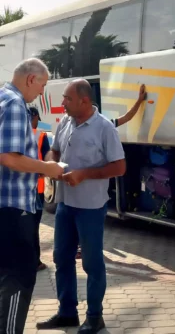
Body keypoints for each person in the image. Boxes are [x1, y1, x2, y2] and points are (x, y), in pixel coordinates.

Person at [37, 79, 126, 334]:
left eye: (67, 98)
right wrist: (51, 165)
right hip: (65, 204)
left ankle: (95, 317)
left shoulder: (104, 128)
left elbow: (120, 167)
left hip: (90, 207)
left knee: (91, 262)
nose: (62, 103)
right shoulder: (65, 122)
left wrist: (84, 174)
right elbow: (53, 151)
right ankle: (67, 313)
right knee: (61, 258)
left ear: (84, 101)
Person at [0, 58, 64, 334]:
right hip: (14, 209)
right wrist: (46, 168)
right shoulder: (15, 105)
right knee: (19, 278)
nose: (41, 92)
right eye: (42, 85)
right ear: (30, 79)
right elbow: (9, 157)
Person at [73, 83, 146, 260]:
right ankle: (81, 246)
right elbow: (126, 118)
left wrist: (139, 101)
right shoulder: (73, 125)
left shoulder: (104, 125)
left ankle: (83, 246)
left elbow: (127, 117)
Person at [29, 106, 51, 272]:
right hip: (37, 187)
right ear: (35, 116)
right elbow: (47, 159)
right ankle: (35, 261)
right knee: (33, 227)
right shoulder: (41, 134)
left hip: (21, 187)